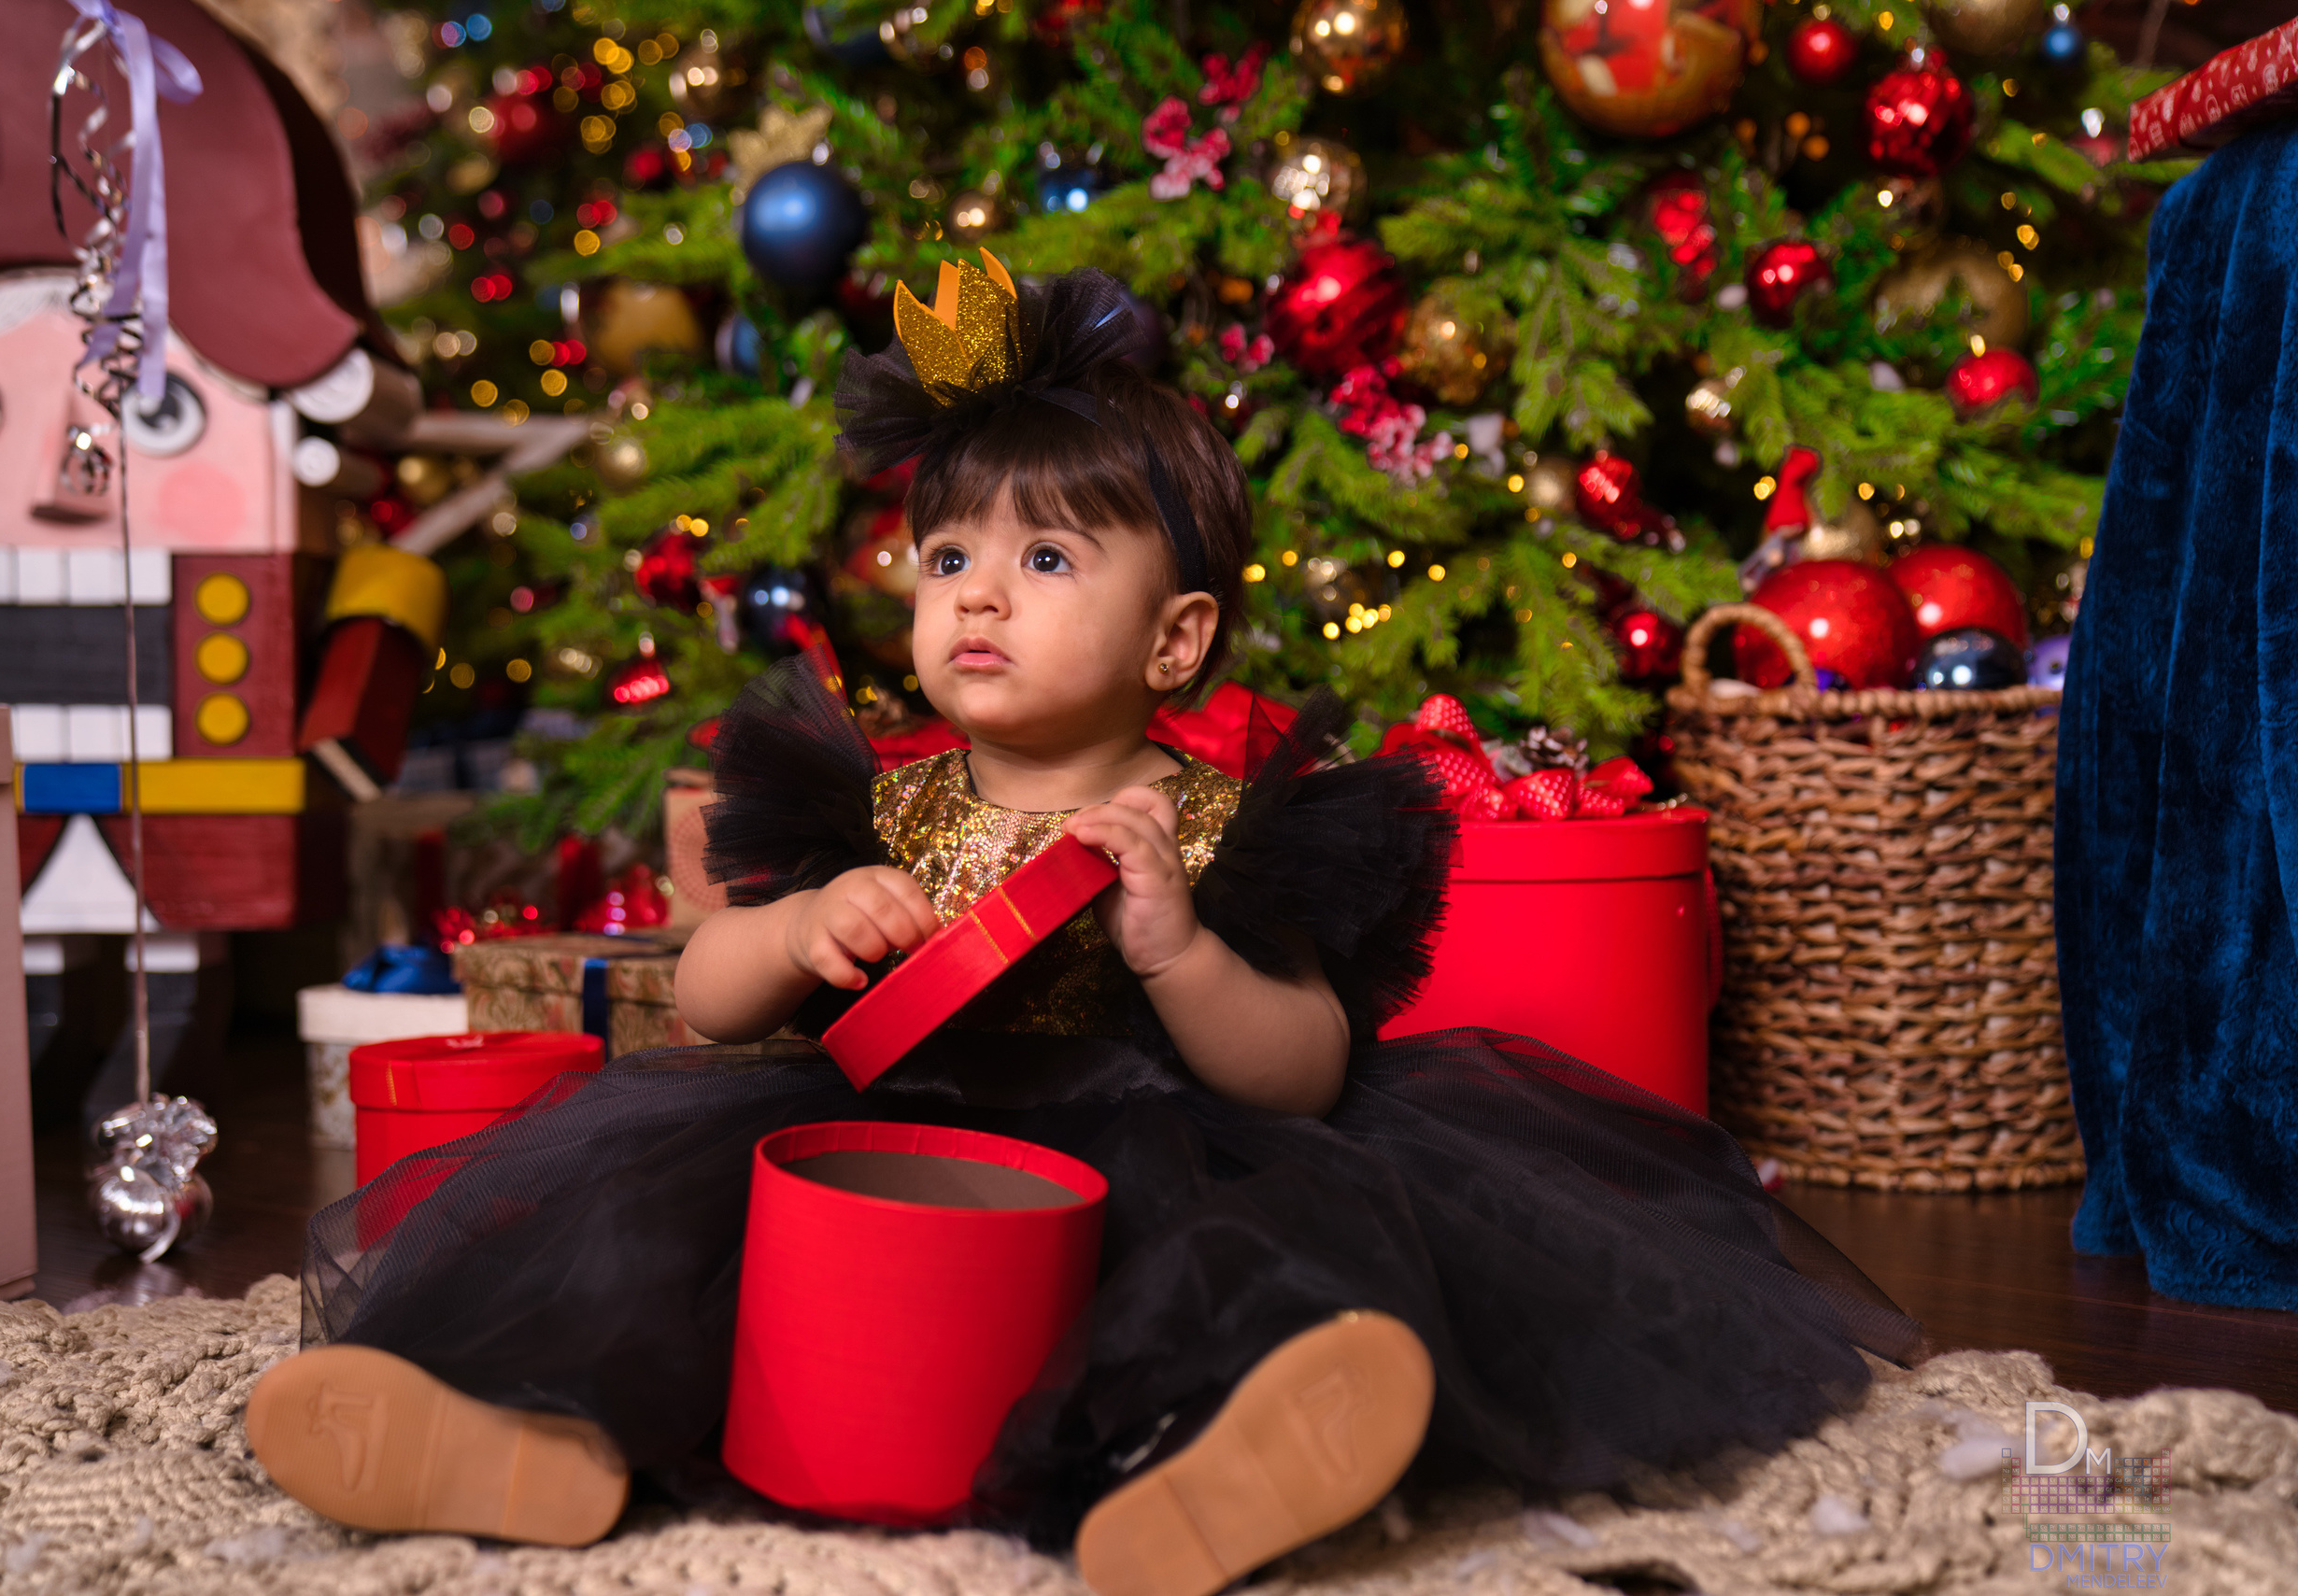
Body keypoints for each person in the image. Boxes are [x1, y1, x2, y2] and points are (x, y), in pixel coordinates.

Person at [248, 254, 1923, 1596]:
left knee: (1238, 1270)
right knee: (671, 1252)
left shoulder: (1212, 828)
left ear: (1176, 638)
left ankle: (1207, 1465)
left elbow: (1300, 1075)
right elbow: (704, 998)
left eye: (1046, 556)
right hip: (876, 1141)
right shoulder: (878, 810)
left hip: (1152, 1140)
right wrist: (808, 924)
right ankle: (533, 1433)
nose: (974, 592)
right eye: (946, 552)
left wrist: (1177, 945)